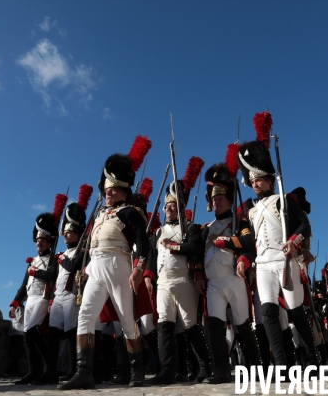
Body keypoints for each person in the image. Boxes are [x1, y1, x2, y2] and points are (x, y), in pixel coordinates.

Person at [59, 136, 151, 391]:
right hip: (96, 268)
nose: (108, 193)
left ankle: (137, 371)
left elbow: (143, 244)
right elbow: (89, 246)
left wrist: (137, 269)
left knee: (126, 319)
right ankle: (83, 372)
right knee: (86, 315)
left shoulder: (131, 213)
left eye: (113, 190)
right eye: (106, 190)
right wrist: (84, 268)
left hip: (119, 265)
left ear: (123, 190)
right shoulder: (99, 215)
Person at [235, 111, 316, 370]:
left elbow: (305, 224)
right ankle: (281, 364)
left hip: (285, 259)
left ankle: (312, 360)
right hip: (263, 263)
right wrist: (244, 259)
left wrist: (293, 240)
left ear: (270, 180)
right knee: (267, 313)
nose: (254, 183)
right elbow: (249, 242)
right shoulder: (249, 209)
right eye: (252, 179)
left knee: (295, 311)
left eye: (259, 179)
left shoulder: (283, 200)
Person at [145, 156, 212, 385]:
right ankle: (167, 370)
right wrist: (148, 276)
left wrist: (175, 247)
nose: (169, 208)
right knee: (164, 325)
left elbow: (195, 247)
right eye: (167, 206)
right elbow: (152, 258)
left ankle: (204, 366)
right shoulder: (158, 232)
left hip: (184, 280)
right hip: (163, 282)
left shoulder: (191, 227)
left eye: (174, 205)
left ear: (181, 207)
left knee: (191, 325)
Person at [196, 161, 260, 384]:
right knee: (215, 327)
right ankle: (220, 370)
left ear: (230, 200)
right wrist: (199, 275)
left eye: (221, 199)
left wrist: (224, 242)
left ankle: (255, 367)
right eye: (214, 199)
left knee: (243, 325)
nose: (217, 202)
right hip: (213, 282)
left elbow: (248, 242)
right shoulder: (205, 229)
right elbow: (198, 255)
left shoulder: (239, 221)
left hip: (234, 279)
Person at [34, 185, 93, 385]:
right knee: (52, 334)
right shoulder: (63, 253)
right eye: (65, 232)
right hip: (59, 297)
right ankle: (50, 370)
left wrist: (60, 261)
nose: (66, 235)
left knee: (70, 334)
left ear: (78, 233)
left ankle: (73, 369)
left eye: (70, 232)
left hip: (72, 295)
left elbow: (75, 265)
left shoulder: (81, 250)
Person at [9, 212, 60, 385]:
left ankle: (50, 367)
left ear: (49, 242)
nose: (39, 243)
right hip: (30, 298)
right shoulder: (33, 261)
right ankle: (34, 371)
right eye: (38, 241)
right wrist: (15, 303)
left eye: (43, 241)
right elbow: (24, 285)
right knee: (27, 336)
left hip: (42, 297)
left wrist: (36, 272)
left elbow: (52, 274)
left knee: (32, 331)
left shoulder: (54, 258)